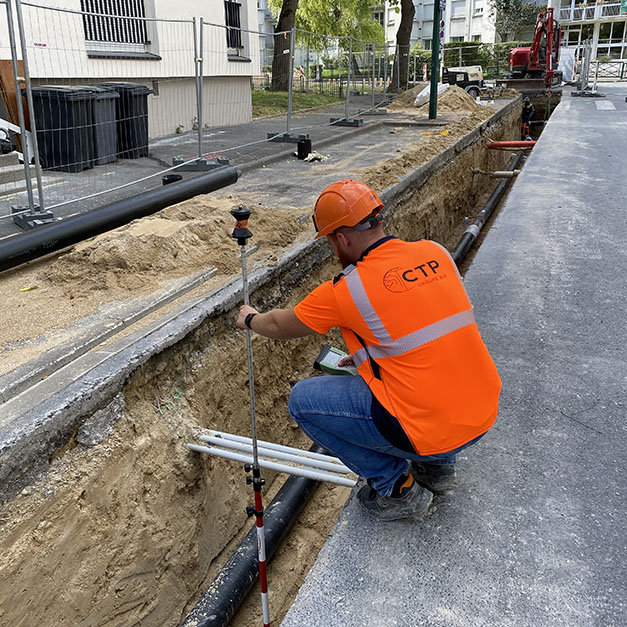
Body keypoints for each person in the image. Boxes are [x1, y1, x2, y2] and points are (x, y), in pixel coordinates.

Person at [236, 180, 501, 522]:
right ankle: (437, 469)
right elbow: (425, 333)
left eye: (331, 241)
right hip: (481, 413)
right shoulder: (435, 253)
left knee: (302, 401)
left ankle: (396, 487)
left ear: (341, 238)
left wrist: (251, 318)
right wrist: (376, 357)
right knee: (435, 372)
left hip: (431, 428)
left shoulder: (349, 288)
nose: (334, 250)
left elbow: (279, 325)